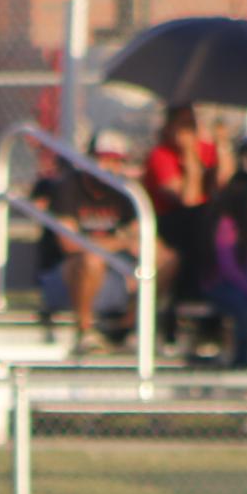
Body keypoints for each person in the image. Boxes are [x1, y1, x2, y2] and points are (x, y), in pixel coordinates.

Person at [37, 131, 153, 357]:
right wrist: (120, 242)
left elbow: (141, 239)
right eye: (104, 158)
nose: (110, 166)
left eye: (117, 160)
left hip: (110, 273)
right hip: (63, 277)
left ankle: (130, 327)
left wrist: (126, 247)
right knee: (92, 259)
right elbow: (69, 245)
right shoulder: (69, 187)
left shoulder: (125, 192)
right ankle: (85, 330)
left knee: (160, 257)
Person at [145, 104, 235, 302]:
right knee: (199, 224)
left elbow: (224, 182)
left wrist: (222, 143)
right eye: (182, 125)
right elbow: (188, 198)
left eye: (191, 125)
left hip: (204, 221)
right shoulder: (161, 155)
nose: (188, 131)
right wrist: (189, 155)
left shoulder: (205, 149)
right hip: (171, 224)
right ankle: (189, 293)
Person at [206, 170, 247, 368]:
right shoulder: (227, 225)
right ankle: (241, 360)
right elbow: (230, 271)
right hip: (220, 285)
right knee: (244, 308)